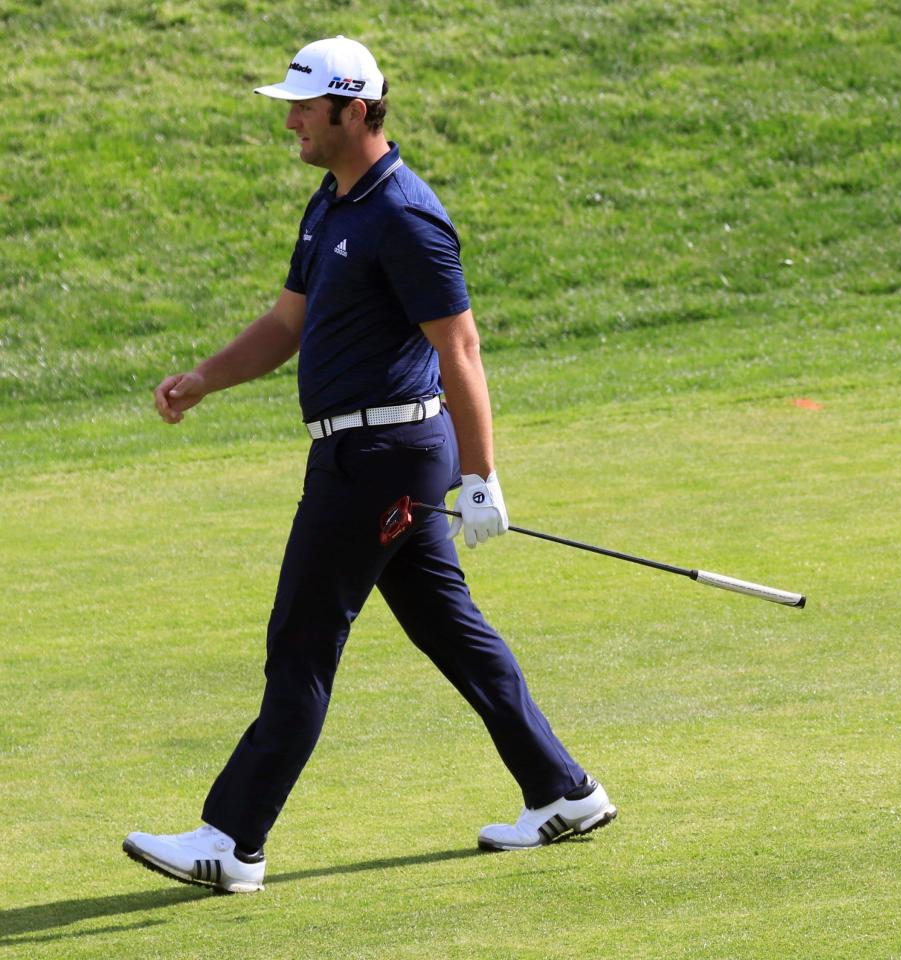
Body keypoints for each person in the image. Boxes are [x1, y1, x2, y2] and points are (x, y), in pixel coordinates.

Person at [123, 36, 615, 895]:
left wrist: (482, 474)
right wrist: (204, 379)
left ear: (355, 109)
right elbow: (286, 325)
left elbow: (459, 347)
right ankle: (563, 791)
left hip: (381, 458)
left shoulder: (405, 214)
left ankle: (231, 841)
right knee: (449, 629)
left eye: (305, 107)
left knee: (303, 641)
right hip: (365, 451)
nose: (291, 120)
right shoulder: (332, 203)